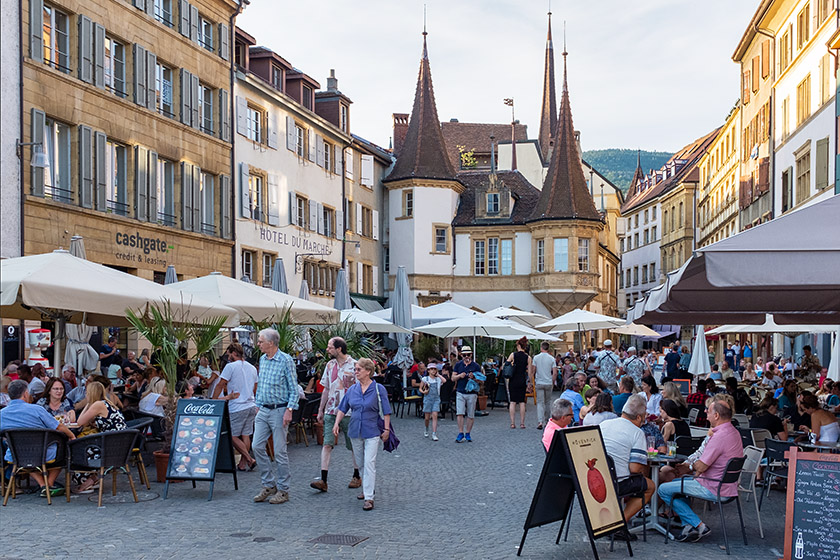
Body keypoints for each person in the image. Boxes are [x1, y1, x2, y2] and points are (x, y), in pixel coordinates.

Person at [658, 399, 743, 543]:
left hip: (712, 486)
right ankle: (688, 526)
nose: (705, 412)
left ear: (716, 415)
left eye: (708, 411)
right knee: (676, 484)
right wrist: (693, 465)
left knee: (663, 489)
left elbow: (702, 466)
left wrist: (691, 465)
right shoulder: (733, 432)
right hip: (726, 486)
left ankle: (699, 525)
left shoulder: (719, 436)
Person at [0, 380, 76, 496]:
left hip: (16, 455)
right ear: (26, 394)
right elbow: (58, 426)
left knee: (27, 455)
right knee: (64, 449)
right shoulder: (36, 409)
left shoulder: (2, 414)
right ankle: (48, 485)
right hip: (42, 453)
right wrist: (71, 435)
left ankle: (43, 485)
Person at [333, 358, 391, 511]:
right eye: (355, 369)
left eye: (358, 369)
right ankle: (368, 489)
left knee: (369, 462)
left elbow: (386, 411)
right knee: (360, 463)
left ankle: (369, 498)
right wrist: (336, 423)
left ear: (368, 371)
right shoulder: (352, 389)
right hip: (355, 430)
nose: (355, 372)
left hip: (372, 430)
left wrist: (386, 429)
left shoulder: (379, 389)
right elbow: (343, 407)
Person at [252, 328, 300, 505]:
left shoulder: (285, 360)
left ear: (271, 343)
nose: (258, 344)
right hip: (263, 410)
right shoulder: (263, 360)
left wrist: (289, 410)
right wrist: (257, 405)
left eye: (260, 341)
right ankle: (268, 484)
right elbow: (261, 383)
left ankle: (283, 489)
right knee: (256, 446)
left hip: (279, 410)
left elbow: (293, 388)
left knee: (280, 451)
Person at [309, 337, 361, 492]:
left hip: (349, 412)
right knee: (327, 443)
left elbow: (360, 389)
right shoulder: (330, 365)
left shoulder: (354, 365)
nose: (327, 349)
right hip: (331, 410)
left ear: (339, 349)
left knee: (353, 445)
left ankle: (357, 475)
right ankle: (323, 480)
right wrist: (320, 409)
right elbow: (325, 388)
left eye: (330, 347)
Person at [599, 395, 656, 526]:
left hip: (597, 478)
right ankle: (620, 522)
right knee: (650, 486)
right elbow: (635, 469)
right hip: (617, 482)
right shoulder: (637, 432)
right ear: (638, 417)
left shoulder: (604, 424)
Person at [74, 380, 128, 493]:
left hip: (110, 448)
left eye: (87, 392)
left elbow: (79, 422)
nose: (85, 395)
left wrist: (88, 404)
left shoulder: (97, 405)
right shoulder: (106, 403)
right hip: (120, 445)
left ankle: (88, 480)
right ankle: (92, 479)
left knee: (77, 450)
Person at [214, 343, 259, 472]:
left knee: (232, 436)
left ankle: (249, 459)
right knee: (245, 435)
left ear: (234, 353)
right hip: (251, 404)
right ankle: (243, 464)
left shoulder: (230, 367)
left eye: (228, 354)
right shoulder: (252, 368)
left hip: (237, 406)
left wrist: (214, 400)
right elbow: (255, 388)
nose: (227, 357)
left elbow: (220, 384)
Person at [452, 346, 482, 443]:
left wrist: (474, 377)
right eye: (464, 355)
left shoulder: (476, 366)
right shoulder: (458, 365)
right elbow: (452, 378)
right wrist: (459, 376)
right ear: (461, 355)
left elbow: (481, 380)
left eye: (468, 355)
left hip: (472, 392)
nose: (466, 356)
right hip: (460, 391)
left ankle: (468, 433)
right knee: (459, 413)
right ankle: (461, 432)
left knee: (470, 414)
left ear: (471, 355)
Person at [506, 337, 532, 429]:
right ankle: (522, 423)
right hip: (522, 380)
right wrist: (530, 383)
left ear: (518, 345)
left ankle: (512, 423)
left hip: (513, 380)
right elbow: (529, 372)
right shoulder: (528, 357)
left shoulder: (513, 355)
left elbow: (506, 365)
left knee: (512, 402)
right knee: (522, 402)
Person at [532, 342, 558, 430]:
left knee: (540, 403)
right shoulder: (552, 359)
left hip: (539, 382)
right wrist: (553, 382)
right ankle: (547, 421)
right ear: (548, 348)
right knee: (547, 402)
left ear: (541, 348)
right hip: (548, 382)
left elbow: (533, 371)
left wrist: (531, 381)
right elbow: (554, 373)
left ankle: (540, 421)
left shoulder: (536, 357)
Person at [420, 362, 443, 441]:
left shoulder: (438, 379)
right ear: (428, 370)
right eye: (431, 369)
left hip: (436, 398)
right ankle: (426, 428)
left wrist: (438, 375)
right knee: (427, 418)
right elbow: (420, 388)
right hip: (427, 399)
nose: (433, 371)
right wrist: (423, 392)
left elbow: (445, 380)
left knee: (435, 415)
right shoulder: (425, 379)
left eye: (434, 369)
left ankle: (434, 433)